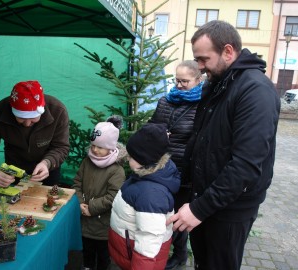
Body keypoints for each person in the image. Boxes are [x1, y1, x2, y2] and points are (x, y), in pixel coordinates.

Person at [167, 20, 280, 270]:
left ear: (228, 51)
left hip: (230, 209)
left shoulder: (255, 91)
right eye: (197, 59)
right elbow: (201, 141)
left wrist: (199, 209)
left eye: (204, 59)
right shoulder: (218, 84)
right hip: (206, 198)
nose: (199, 66)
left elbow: (247, 165)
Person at [149, 60, 203, 269]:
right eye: (177, 80)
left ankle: (179, 254)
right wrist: (157, 134)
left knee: (179, 215)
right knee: (163, 211)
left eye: (185, 81)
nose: (179, 85)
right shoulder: (165, 101)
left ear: (198, 80)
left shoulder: (201, 106)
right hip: (160, 167)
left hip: (183, 171)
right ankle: (159, 248)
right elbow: (152, 125)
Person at [109, 123, 181, 270]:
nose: (128, 158)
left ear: (144, 159)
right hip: (129, 255)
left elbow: (149, 241)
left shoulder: (150, 194)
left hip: (137, 261)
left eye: (131, 156)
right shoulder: (144, 177)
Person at [0, 80, 69, 187]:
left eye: (33, 119)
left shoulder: (58, 111)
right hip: (14, 171)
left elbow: (61, 147)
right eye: (21, 118)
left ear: (41, 111)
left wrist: (47, 163)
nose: (27, 124)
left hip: (47, 170)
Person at [72, 116, 126, 270]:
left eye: (100, 147)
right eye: (93, 145)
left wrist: (91, 207)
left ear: (111, 147)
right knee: (87, 252)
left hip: (103, 226)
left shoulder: (117, 170)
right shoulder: (87, 162)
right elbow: (77, 183)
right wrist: (80, 202)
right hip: (84, 222)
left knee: (103, 256)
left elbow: (112, 197)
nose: (95, 150)